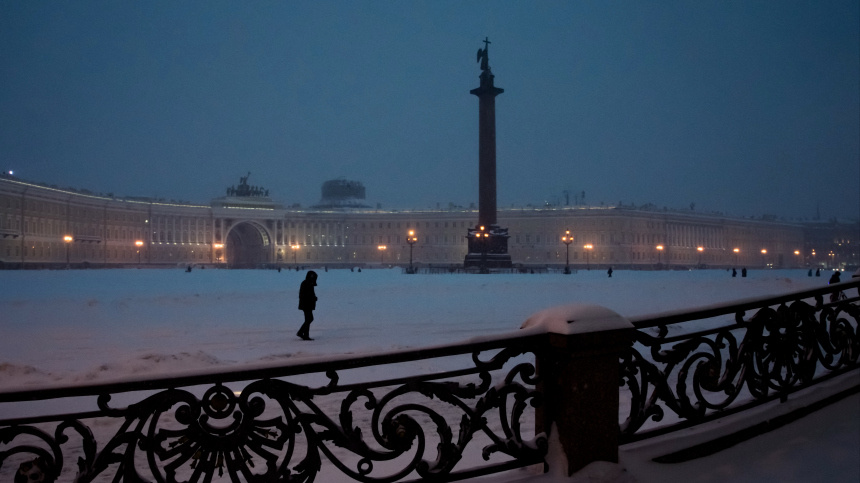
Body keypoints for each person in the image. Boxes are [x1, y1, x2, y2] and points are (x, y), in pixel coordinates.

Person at [297, 271, 318, 340]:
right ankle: (301, 332)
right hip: (306, 304)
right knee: (309, 319)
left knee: (308, 319)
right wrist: (313, 298)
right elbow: (307, 295)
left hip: (306, 304)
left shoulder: (307, 283)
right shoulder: (307, 283)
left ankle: (305, 335)